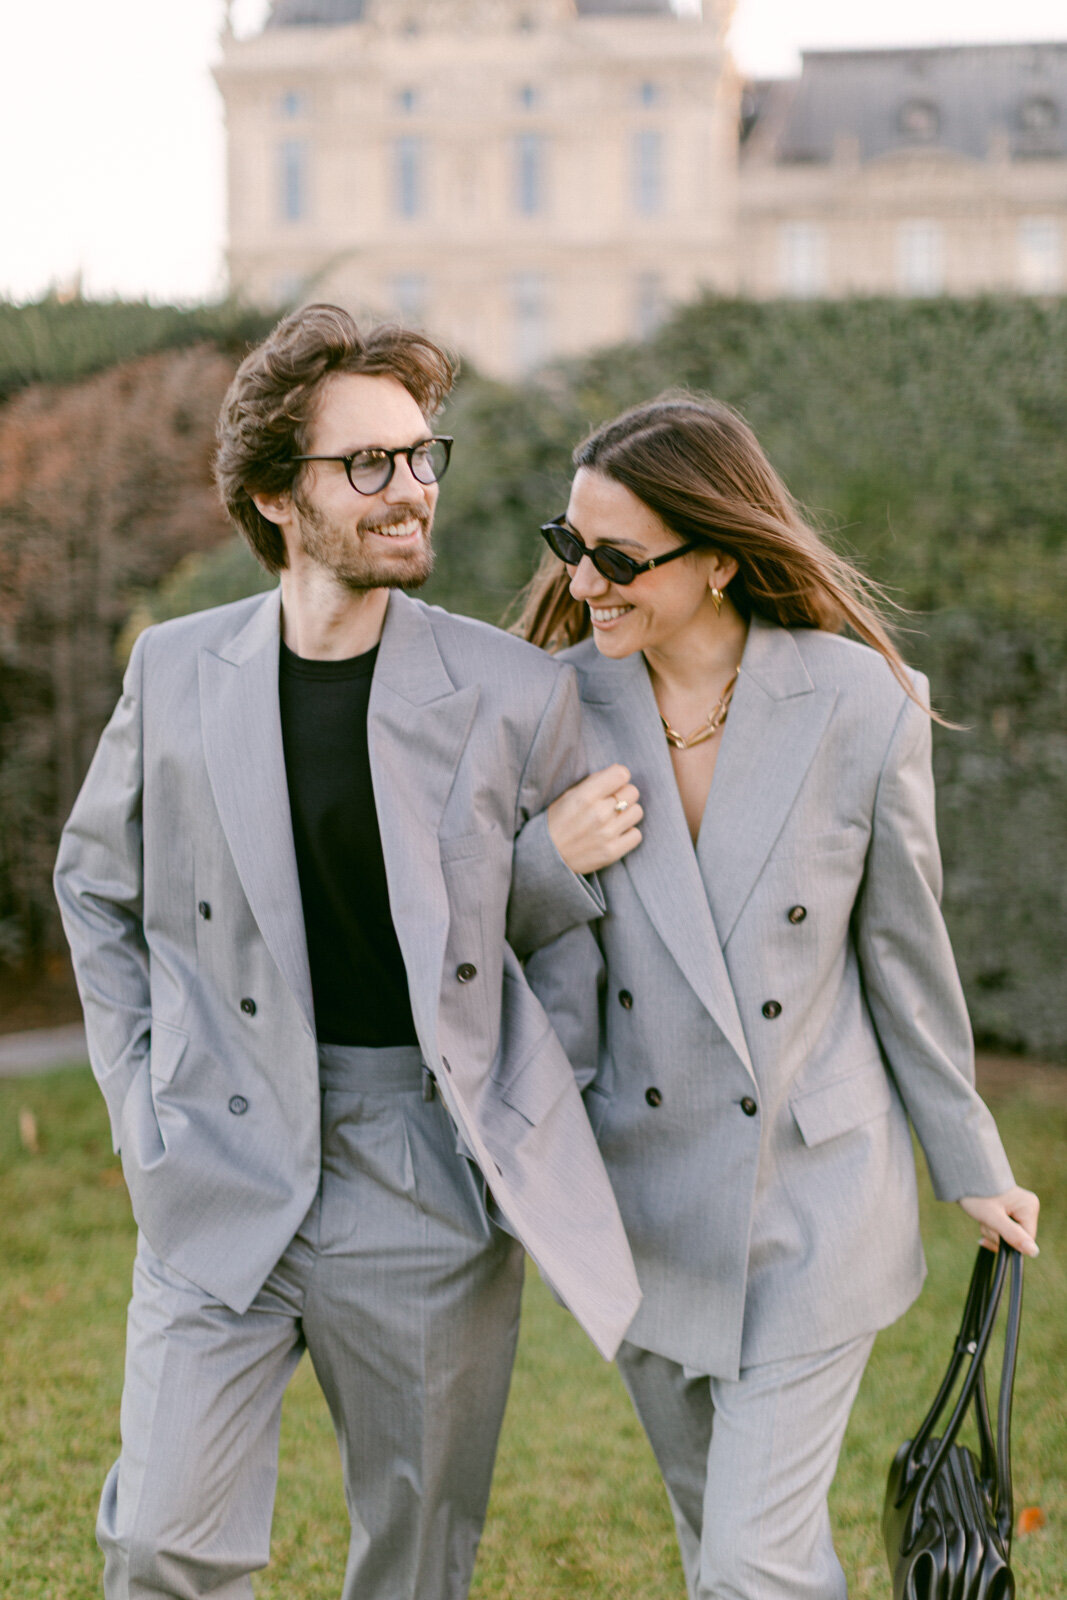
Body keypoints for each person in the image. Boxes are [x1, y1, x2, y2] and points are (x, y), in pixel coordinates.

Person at [53, 303, 639, 1600]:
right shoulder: (177, 671)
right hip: (216, 1138)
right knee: (157, 1541)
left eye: (422, 456)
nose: (408, 489)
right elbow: (95, 888)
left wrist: (515, 1133)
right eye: (366, 465)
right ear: (273, 493)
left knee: (415, 1554)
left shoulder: (513, 692)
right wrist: (140, 1087)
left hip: (424, 1168)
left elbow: (565, 947)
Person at [513, 395, 1040, 1600]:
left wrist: (967, 1155)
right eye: (569, 545)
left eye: (618, 558)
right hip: (638, 1202)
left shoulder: (861, 703)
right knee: (740, 1544)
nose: (585, 581)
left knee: (745, 1560)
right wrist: (547, 858)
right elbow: (477, 942)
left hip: (814, 1196)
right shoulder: (547, 707)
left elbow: (904, 952)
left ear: (718, 560)